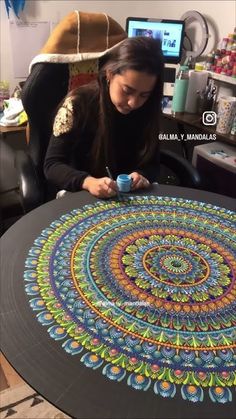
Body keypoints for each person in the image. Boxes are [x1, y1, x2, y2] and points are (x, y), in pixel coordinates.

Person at [44, 36, 164, 199]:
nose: (133, 103)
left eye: (144, 95)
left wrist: (141, 174)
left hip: (129, 198)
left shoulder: (148, 108)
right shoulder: (78, 105)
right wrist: (88, 182)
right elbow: (52, 165)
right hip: (83, 194)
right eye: (127, 90)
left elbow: (153, 162)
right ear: (109, 74)